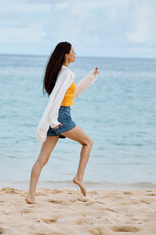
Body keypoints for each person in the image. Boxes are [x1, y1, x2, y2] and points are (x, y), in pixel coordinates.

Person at [25, 41, 100, 204]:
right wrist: (53, 120)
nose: (75, 54)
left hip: (56, 118)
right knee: (88, 142)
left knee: (42, 160)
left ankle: (31, 196)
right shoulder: (66, 74)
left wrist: (90, 77)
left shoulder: (60, 73)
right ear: (66, 55)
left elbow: (73, 95)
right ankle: (79, 177)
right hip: (62, 118)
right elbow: (56, 99)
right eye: (73, 52)